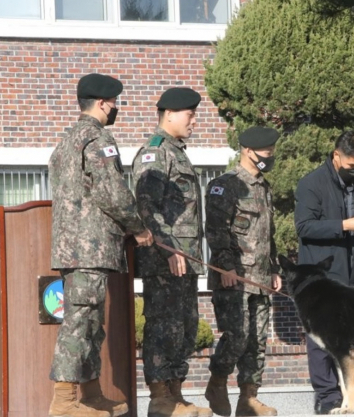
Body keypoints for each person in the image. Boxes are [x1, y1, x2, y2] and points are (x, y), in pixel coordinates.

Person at [49, 73, 154, 417]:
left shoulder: (65, 142)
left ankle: (91, 395)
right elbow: (111, 190)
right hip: (90, 248)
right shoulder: (97, 138)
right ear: (103, 103)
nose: (116, 109)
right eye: (114, 103)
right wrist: (138, 227)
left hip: (74, 248)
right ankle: (64, 403)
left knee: (91, 322)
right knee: (80, 322)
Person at [132, 87, 212, 417]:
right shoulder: (155, 153)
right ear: (168, 114)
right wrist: (166, 249)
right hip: (165, 258)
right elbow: (144, 207)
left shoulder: (178, 153)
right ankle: (160, 397)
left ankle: (176, 394)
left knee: (185, 326)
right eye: (189, 115)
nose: (194, 120)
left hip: (185, 259)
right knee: (162, 326)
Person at [294, 131, 354, 415]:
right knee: (322, 338)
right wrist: (343, 225)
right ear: (336, 156)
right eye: (350, 166)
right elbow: (304, 227)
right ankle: (328, 395)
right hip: (323, 273)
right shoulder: (311, 184)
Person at [204, 126, 282, 417]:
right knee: (237, 335)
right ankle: (217, 382)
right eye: (266, 152)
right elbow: (215, 230)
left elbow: (268, 234)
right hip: (234, 277)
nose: (270, 156)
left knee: (257, 341)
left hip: (260, 278)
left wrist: (273, 268)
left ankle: (249, 398)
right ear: (248, 151)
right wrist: (225, 265)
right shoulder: (225, 185)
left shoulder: (264, 187)